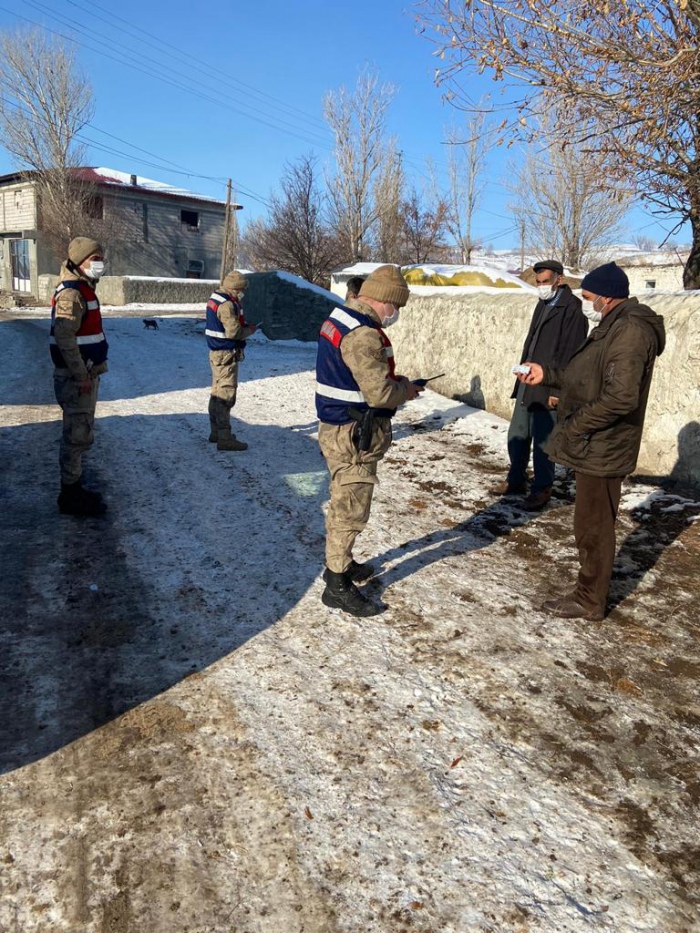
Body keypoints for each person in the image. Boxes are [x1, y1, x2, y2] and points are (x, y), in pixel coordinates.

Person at [517, 262, 665, 620]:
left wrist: (576, 425)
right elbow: (588, 375)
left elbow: (621, 397)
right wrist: (547, 375)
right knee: (589, 522)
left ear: (607, 297)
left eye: (587, 297)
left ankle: (590, 600)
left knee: (593, 526)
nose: (585, 303)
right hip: (596, 440)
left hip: (605, 443)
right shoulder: (614, 324)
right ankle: (589, 593)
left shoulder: (630, 331)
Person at [316, 265, 423, 617]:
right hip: (352, 435)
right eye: (397, 306)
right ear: (384, 301)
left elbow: (359, 377)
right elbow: (380, 394)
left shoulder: (340, 317)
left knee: (344, 499)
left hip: (338, 427)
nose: (396, 313)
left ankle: (341, 563)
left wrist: (395, 384)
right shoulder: (363, 335)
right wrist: (405, 389)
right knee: (350, 508)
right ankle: (337, 585)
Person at [493, 259, 587, 510]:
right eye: (538, 282)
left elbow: (573, 354)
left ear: (559, 279)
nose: (541, 286)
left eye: (546, 281)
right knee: (518, 432)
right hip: (529, 379)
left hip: (550, 384)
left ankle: (542, 488)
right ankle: (516, 479)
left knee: (544, 440)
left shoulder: (573, 309)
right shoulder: (543, 304)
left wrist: (558, 391)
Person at [50, 236, 109, 516]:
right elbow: (65, 337)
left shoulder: (83, 289)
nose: (100, 264)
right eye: (95, 259)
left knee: (81, 433)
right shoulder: (72, 294)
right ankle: (70, 495)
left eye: (101, 259)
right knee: (75, 437)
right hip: (76, 378)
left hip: (84, 374)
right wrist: (81, 375)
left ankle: (74, 488)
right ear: (79, 261)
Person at [206, 271, 257, 451]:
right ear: (235, 289)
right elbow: (233, 332)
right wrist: (250, 330)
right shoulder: (227, 305)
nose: (243, 293)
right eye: (242, 289)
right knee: (225, 396)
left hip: (218, 354)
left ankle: (216, 432)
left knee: (216, 394)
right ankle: (225, 438)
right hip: (226, 353)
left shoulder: (216, 298)